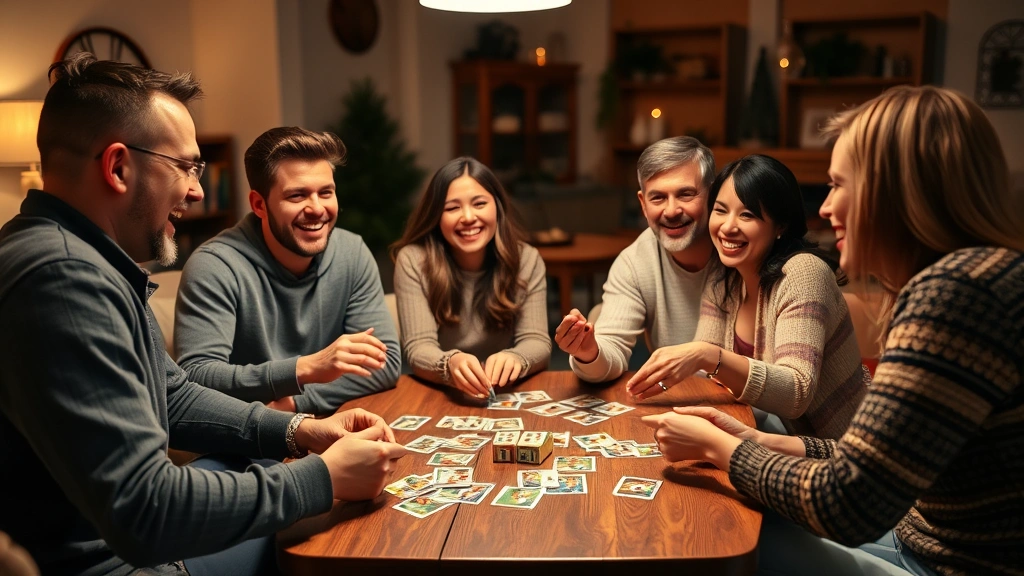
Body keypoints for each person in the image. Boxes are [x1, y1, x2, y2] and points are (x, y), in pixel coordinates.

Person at [0, 54, 407, 575]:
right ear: (119, 167)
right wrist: (322, 479)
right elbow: (148, 511)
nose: (197, 189)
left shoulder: (90, 259)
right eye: (186, 167)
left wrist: (303, 429)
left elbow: (174, 394)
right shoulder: (61, 279)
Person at [642, 85, 1023, 575]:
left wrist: (724, 449)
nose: (824, 208)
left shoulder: (954, 294)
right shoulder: (982, 275)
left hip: (942, 564)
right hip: (912, 532)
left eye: (840, 185)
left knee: (729, 538)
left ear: (896, 190)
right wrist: (762, 441)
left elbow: (848, 504)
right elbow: (878, 464)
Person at [627, 155, 867, 440]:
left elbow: (796, 393)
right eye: (720, 210)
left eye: (747, 214)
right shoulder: (723, 280)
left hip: (842, 450)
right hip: (765, 437)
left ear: (780, 226)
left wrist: (706, 356)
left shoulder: (804, 273)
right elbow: (707, 379)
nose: (728, 226)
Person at [175, 126, 401, 414]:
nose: (317, 208)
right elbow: (198, 376)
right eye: (297, 196)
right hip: (247, 441)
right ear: (259, 204)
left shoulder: (351, 253)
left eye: (326, 192)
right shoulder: (215, 266)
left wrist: (296, 401)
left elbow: (386, 362)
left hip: (333, 427)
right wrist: (306, 368)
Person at [554, 136, 716, 383]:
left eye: (685, 194)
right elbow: (612, 350)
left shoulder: (739, 250)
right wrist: (588, 352)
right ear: (642, 203)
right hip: (679, 403)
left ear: (712, 195)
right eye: (658, 198)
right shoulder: (635, 262)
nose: (671, 211)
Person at [391, 157, 550, 398]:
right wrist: (450, 363)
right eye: (452, 207)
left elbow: (536, 340)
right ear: (436, 215)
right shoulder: (413, 260)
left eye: (479, 203)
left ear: (497, 206)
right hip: (442, 393)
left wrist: (517, 357)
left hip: (504, 391)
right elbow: (418, 348)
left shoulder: (526, 259)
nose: (467, 217)